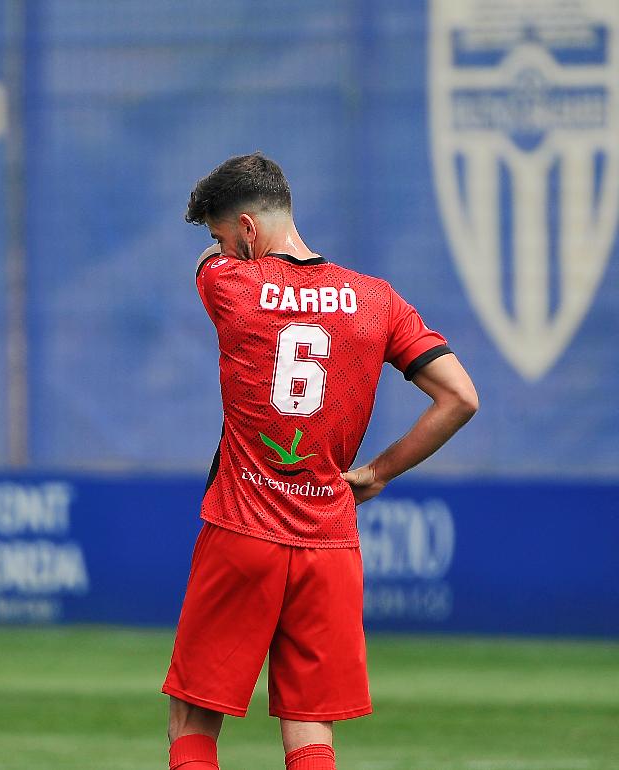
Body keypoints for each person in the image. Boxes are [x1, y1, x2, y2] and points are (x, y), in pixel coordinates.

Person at [162, 153, 477, 770]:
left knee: (193, 717)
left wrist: (227, 251)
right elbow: (460, 397)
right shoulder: (377, 301)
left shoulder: (228, 286)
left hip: (242, 527)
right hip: (328, 540)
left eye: (224, 236)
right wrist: (380, 472)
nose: (220, 250)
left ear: (247, 230)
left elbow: (209, 264)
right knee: (309, 732)